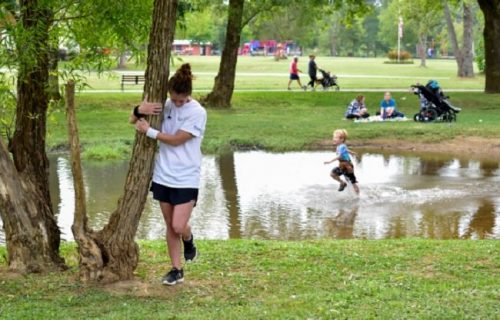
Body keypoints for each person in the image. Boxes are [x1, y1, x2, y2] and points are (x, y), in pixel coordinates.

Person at [132, 63, 207, 286]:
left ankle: (189, 239)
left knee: (178, 225)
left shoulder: (197, 112)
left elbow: (176, 140)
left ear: (189, 96)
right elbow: (133, 121)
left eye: (181, 100)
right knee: (169, 225)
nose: (177, 104)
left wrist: (150, 132)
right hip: (163, 175)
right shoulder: (165, 105)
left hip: (186, 176)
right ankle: (177, 269)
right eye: (174, 99)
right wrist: (139, 110)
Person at [324, 129, 360, 194]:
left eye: (335, 137)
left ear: (342, 139)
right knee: (333, 174)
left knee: (352, 182)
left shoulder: (341, 146)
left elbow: (339, 156)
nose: (333, 139)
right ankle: (342, 183)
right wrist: (352, 152)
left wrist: (330, 161)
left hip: (347, 167)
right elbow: (346, 150)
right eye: (333, 137)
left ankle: (358, 197)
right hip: (342, 166)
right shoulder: (340, 146)